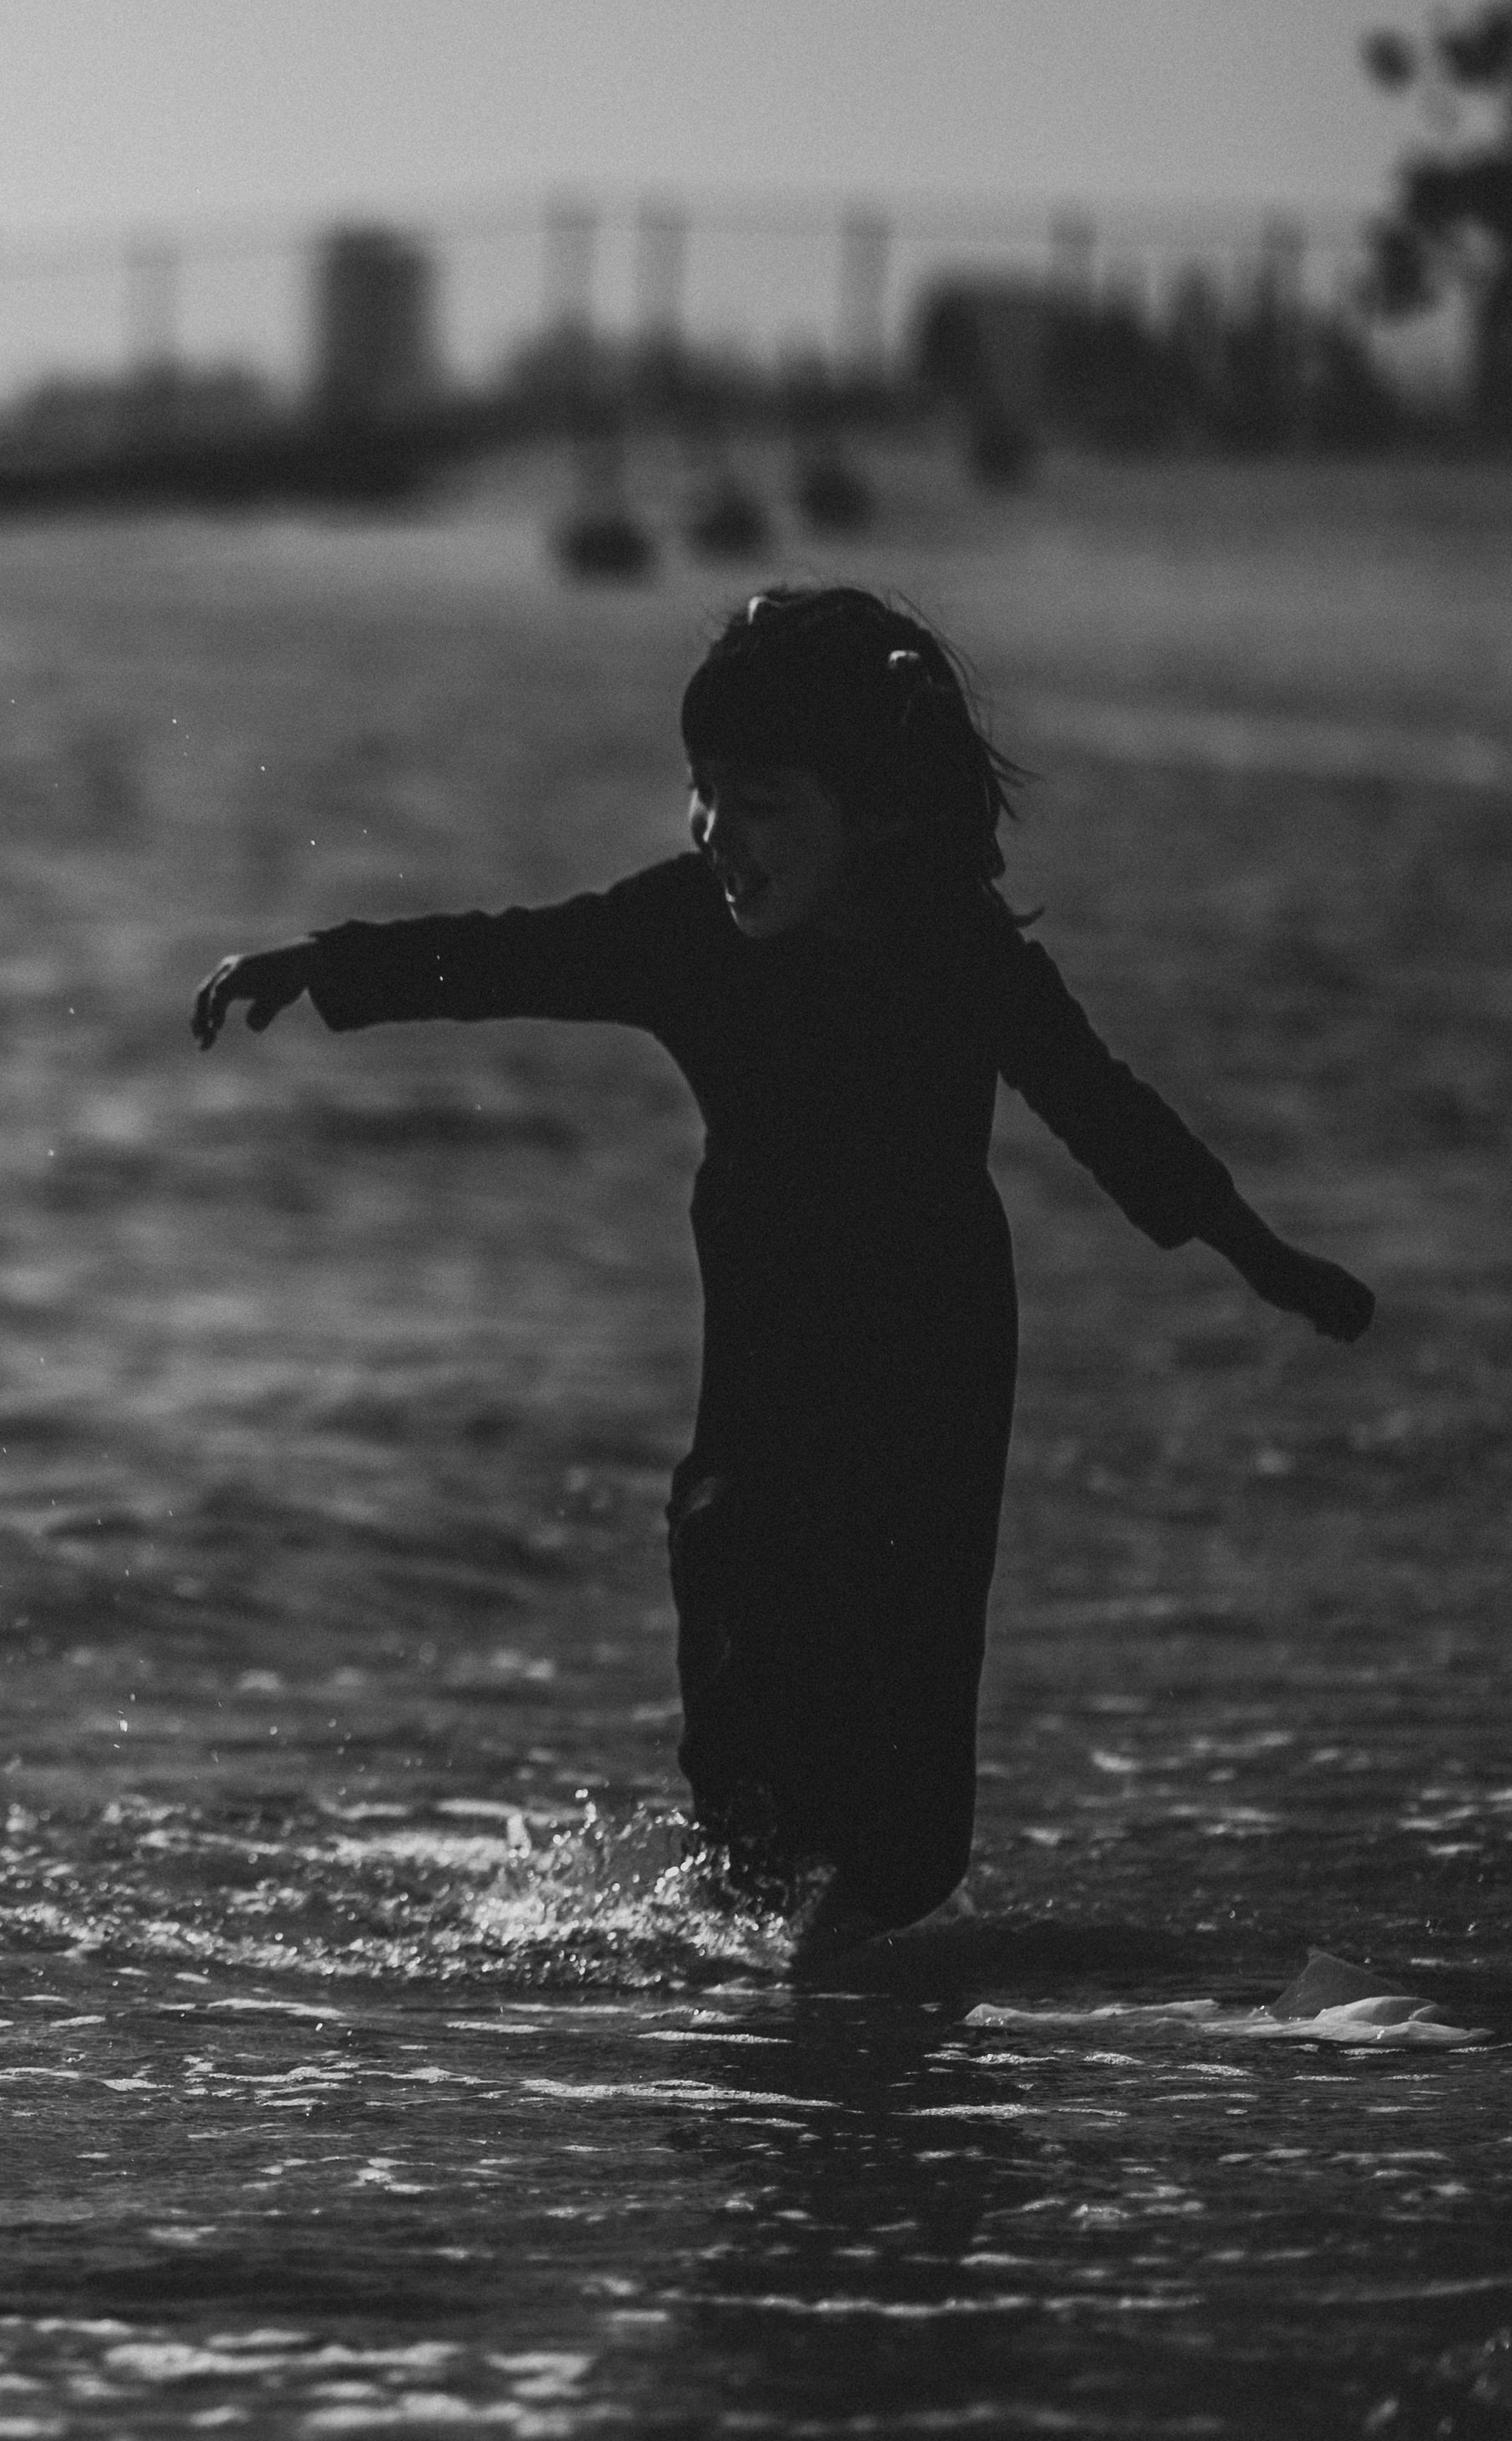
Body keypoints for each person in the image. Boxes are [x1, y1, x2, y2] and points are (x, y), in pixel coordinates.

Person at [188, 585, 1370, 1970]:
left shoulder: (957, 950)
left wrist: (1262, 1256)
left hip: (930, 1378)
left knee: (901, 1742)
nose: (714, 832)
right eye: (701, 792)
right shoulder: (689, 932)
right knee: (741, 1686)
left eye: (756, 803)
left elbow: (1106, 1111)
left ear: (869, 809)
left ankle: (845, 1962)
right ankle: (774, 1980)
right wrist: (327, 966)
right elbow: (513, 951)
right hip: (760, 1386)